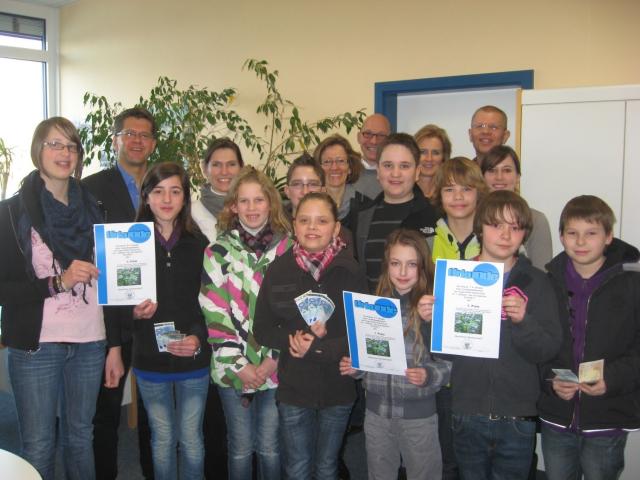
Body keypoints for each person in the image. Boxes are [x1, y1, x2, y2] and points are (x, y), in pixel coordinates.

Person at [0, 117, 110, 480]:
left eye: (71, 146)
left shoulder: (95, 208)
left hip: (90, 341)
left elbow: (110, 276)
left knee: (81, 438)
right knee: (39, 444)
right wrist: (57, 282)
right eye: (55, 144)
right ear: (38, 150)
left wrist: (133, 300)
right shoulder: (10, 213)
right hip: (37, 346)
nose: (65, 153)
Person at [254, 192, 368, 479]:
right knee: (297, 467)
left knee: (327, 467)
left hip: (338, 387)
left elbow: (363, 330)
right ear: (294, 225)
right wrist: (291, 339)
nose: (312, 227)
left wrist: (320, 349)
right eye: (304, 220)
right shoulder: (279, 269)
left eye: (322, 221)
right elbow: (262, 328)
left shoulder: (351, 270)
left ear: (336, 228)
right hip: (295, 387)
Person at [448, 190, 561, 480]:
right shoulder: (458, 277)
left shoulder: (537, 282)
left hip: (517, 415)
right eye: (496, 225)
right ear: (480, 227)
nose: (505, 234)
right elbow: (442, 350)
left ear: (525, 234)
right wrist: (430, 322)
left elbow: (547, 349)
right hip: (467, 409)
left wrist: (523, 321)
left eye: (515, 227)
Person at [200, 166, 292, 480]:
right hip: (231, 367)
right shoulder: (217, 252)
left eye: (259, 200)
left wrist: (272, 360)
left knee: (270, 447)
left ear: (271, 203)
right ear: (233, 206)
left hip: (275, 366)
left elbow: (292, 312)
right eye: (244, 201)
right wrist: (239, 365)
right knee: (239, 448)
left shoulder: (288, 250)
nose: (252, 208)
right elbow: (214, 312)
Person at [539, 195, 640, 480]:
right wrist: (551, 379)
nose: (581, 242)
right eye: (572, 233)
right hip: (557, 416)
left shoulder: (632, 283)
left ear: (608, 236)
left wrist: (613, 378)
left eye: (591, 233)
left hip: (608, 414)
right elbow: (539, 343)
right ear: (561, 236)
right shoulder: (548, 281)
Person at [340, 228, 451, 480]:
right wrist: (356, 367)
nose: (402, 272)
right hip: (377, 413)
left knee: (425, 474)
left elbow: (450, 365)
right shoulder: (372, 306)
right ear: (386, 266)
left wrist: (428, 374)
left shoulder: (433, 308)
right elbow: (369, 357)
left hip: (418, 416)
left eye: (411, 264)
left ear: (422, 267)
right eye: (395, 263)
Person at [83, 106, 156, 480]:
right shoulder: (91, 188)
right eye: (130, 134)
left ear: (153, 143)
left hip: (154, 314)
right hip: (110, 317)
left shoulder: (163, 185)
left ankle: (152, 472)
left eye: (145, 135)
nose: (137, 141)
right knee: (107, 408)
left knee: (153, 409)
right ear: (115, 141)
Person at [130, 162, 211, 480]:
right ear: (146, 197)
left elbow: (210, 304)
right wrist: (132, 312)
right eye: (158, 191)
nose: (166, 199)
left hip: (193, 357)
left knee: (191, 438)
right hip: (150, 359)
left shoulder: (199, 244)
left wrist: (197, 338)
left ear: (185, 197)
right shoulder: (129, 245)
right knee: (162, 438)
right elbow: (115, 306)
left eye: (175, 191)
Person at [350, 133, 438, 291]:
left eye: (404, 166)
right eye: (388, 165)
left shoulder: (434, 218)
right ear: (378, 171)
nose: (395, 173)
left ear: (417, 172)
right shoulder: (361, 217)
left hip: (417, 306)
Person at [481, 145, 552, 270]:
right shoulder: (475, 217)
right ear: (482, 177)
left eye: (507, 170)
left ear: (518, 177)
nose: (499, 177)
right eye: (492, 170)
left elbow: (542, 273)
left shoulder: (536, 220)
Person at [430, 157, 488, 262]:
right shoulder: (427, 245)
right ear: (439, 195)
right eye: (449, 189)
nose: (458, 196)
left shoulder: (496, 243)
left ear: (479, 193)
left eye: (466, 189)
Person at [191, 137, 244, 241]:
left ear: (241, 167)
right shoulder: (191, 213)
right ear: (205, 169)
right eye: (216, 165)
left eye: (231, 164)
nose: (224, 172)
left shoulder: (256, 208)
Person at [314, 134, 364, 220]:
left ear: (350, 167)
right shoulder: (309, 204)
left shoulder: (365, 206)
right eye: (327, 162)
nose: (334, 167)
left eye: (340, 161)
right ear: (318, 168)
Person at [352, 113, 391, 200]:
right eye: (368, 133)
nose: (374, 141)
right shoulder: (346, 173)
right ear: (358, 137)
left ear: (389, 140)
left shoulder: (396, 176)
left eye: (381, 135)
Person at [414, 124, 452, 199]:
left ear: (444, 157)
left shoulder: (450, 194)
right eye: (423, 152)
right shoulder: (402, 192)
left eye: (435, 153)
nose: (429, 159)